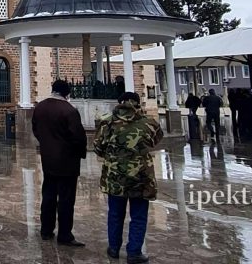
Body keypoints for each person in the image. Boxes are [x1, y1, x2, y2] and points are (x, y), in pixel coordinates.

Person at [94, 91, 164, 264]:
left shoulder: (107, 122)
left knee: (115, 214)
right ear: (138, 103)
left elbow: (98, 148)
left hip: (115, 176)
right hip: (141, 177)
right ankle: (134, 252)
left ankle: (113, 248)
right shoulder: (149, 123)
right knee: (138, 216)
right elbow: (155, 141)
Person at [31, 79, 88, 247]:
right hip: (67, 162)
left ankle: (46, 230)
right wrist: (79, 152)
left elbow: (36, 129)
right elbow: (78, 136)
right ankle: (65, 234)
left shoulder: (40, 107)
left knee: (48, 195)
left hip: (48, 159)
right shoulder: (69, 110)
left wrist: (46, 144)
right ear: (66, 93)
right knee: (66, 199)